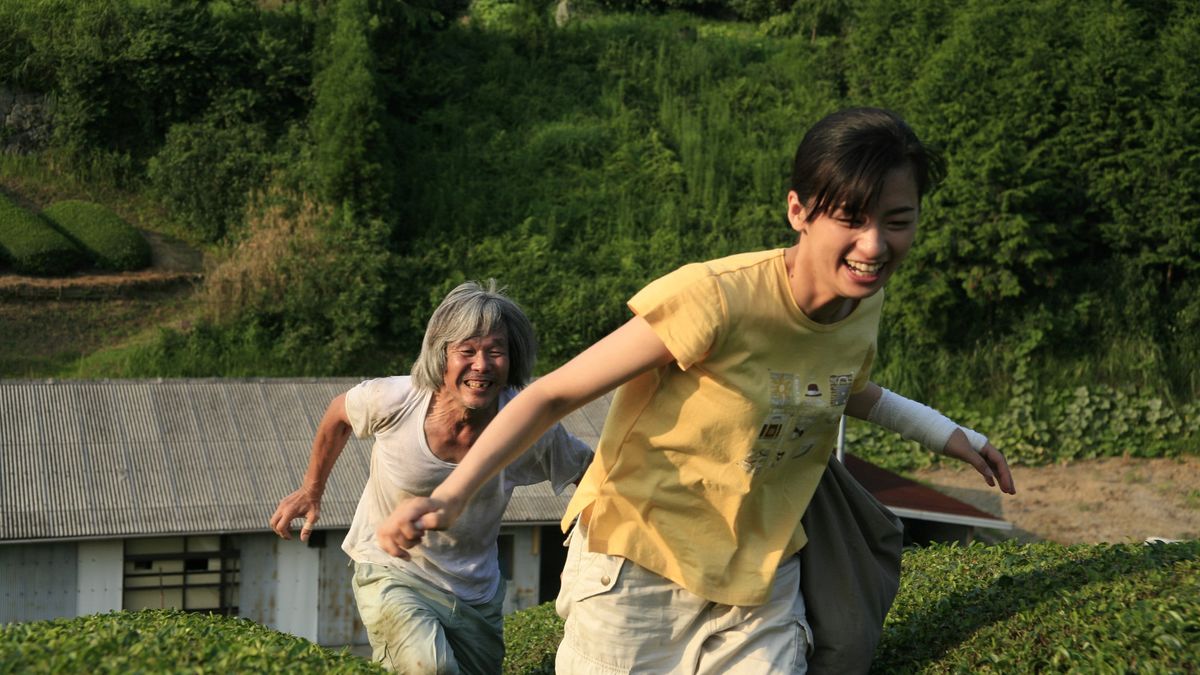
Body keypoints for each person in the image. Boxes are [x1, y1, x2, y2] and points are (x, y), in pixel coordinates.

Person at [375, 108, 1017, 673]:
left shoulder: (862, 308)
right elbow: (552, 395)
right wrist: (452, 496)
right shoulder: (716, 297)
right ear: (798, 210)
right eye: (850, 218)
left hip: (759, 578)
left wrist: (950, 435)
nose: (874, 245)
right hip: (638, 566)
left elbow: (844, 390)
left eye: (897, 221)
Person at [269, 280, 593, 674]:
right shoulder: (394, 400)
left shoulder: (526, 424)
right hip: (393, 571)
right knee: (432, 668)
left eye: (496, 351)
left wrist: (589, 548)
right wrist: (311, 488)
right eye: (467, 351)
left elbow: (590, 474)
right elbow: (339, 415)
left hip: (474, 590)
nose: (481, 365)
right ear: (441, 356)